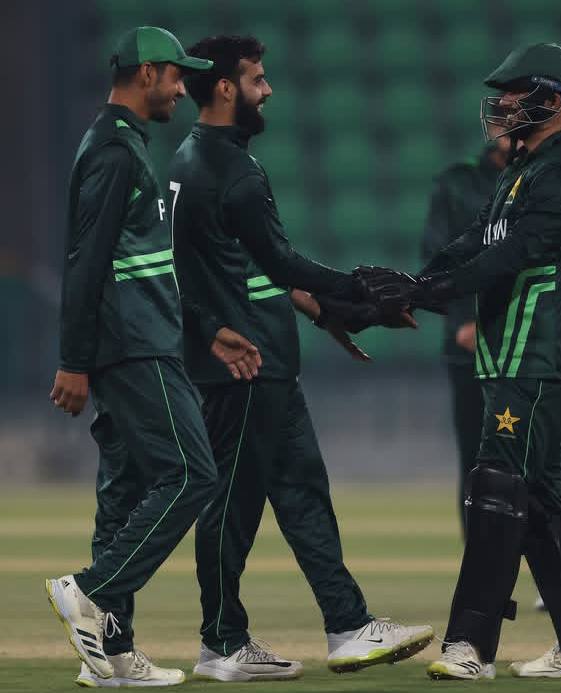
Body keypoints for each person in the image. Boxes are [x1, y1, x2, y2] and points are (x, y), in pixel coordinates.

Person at [354, 43, 561, 680]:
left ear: (552, 100)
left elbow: (509, 257)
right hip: (516, 358)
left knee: (497, 488)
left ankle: (469, 644)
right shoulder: (522, 171)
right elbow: (472, 243)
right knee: (545, 501)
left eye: (514, 91)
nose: (500, 102)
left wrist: (422, 292)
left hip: (541, 356)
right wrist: (399, 289)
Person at [168, 34, 432, 683]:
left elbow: (248, 270)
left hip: (252, 356)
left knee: (290, 492)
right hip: (248, 361)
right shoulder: (235, 172)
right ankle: (235, 639)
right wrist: (363, 290)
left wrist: (325, 312)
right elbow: (281, 263)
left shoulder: (191, 157)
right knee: (241, 503)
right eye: (258, 79)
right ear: (227, 88)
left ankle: (325, 626)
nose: (269, 91)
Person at [43, 27, 253, 689]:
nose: (181, 89)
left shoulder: (127, 144)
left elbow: (149, 263)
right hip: (135, 348)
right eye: (174, 78)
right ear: (148, 75)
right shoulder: (112, 149)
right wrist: (74, 359)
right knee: (192, 473)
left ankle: (112, 654)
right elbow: (85, 261)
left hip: (149, 338)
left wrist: (206, 327)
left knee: (128, 489)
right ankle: (92, 590)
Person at [421, 139, 511, 535]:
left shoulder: (548, 179)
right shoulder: (457, 183)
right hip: (471, 345)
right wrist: (462, 319)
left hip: (527, 342)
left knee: (539, 459)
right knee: (476, 458)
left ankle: (555, 574)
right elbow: (438, 254)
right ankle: (481, 572)